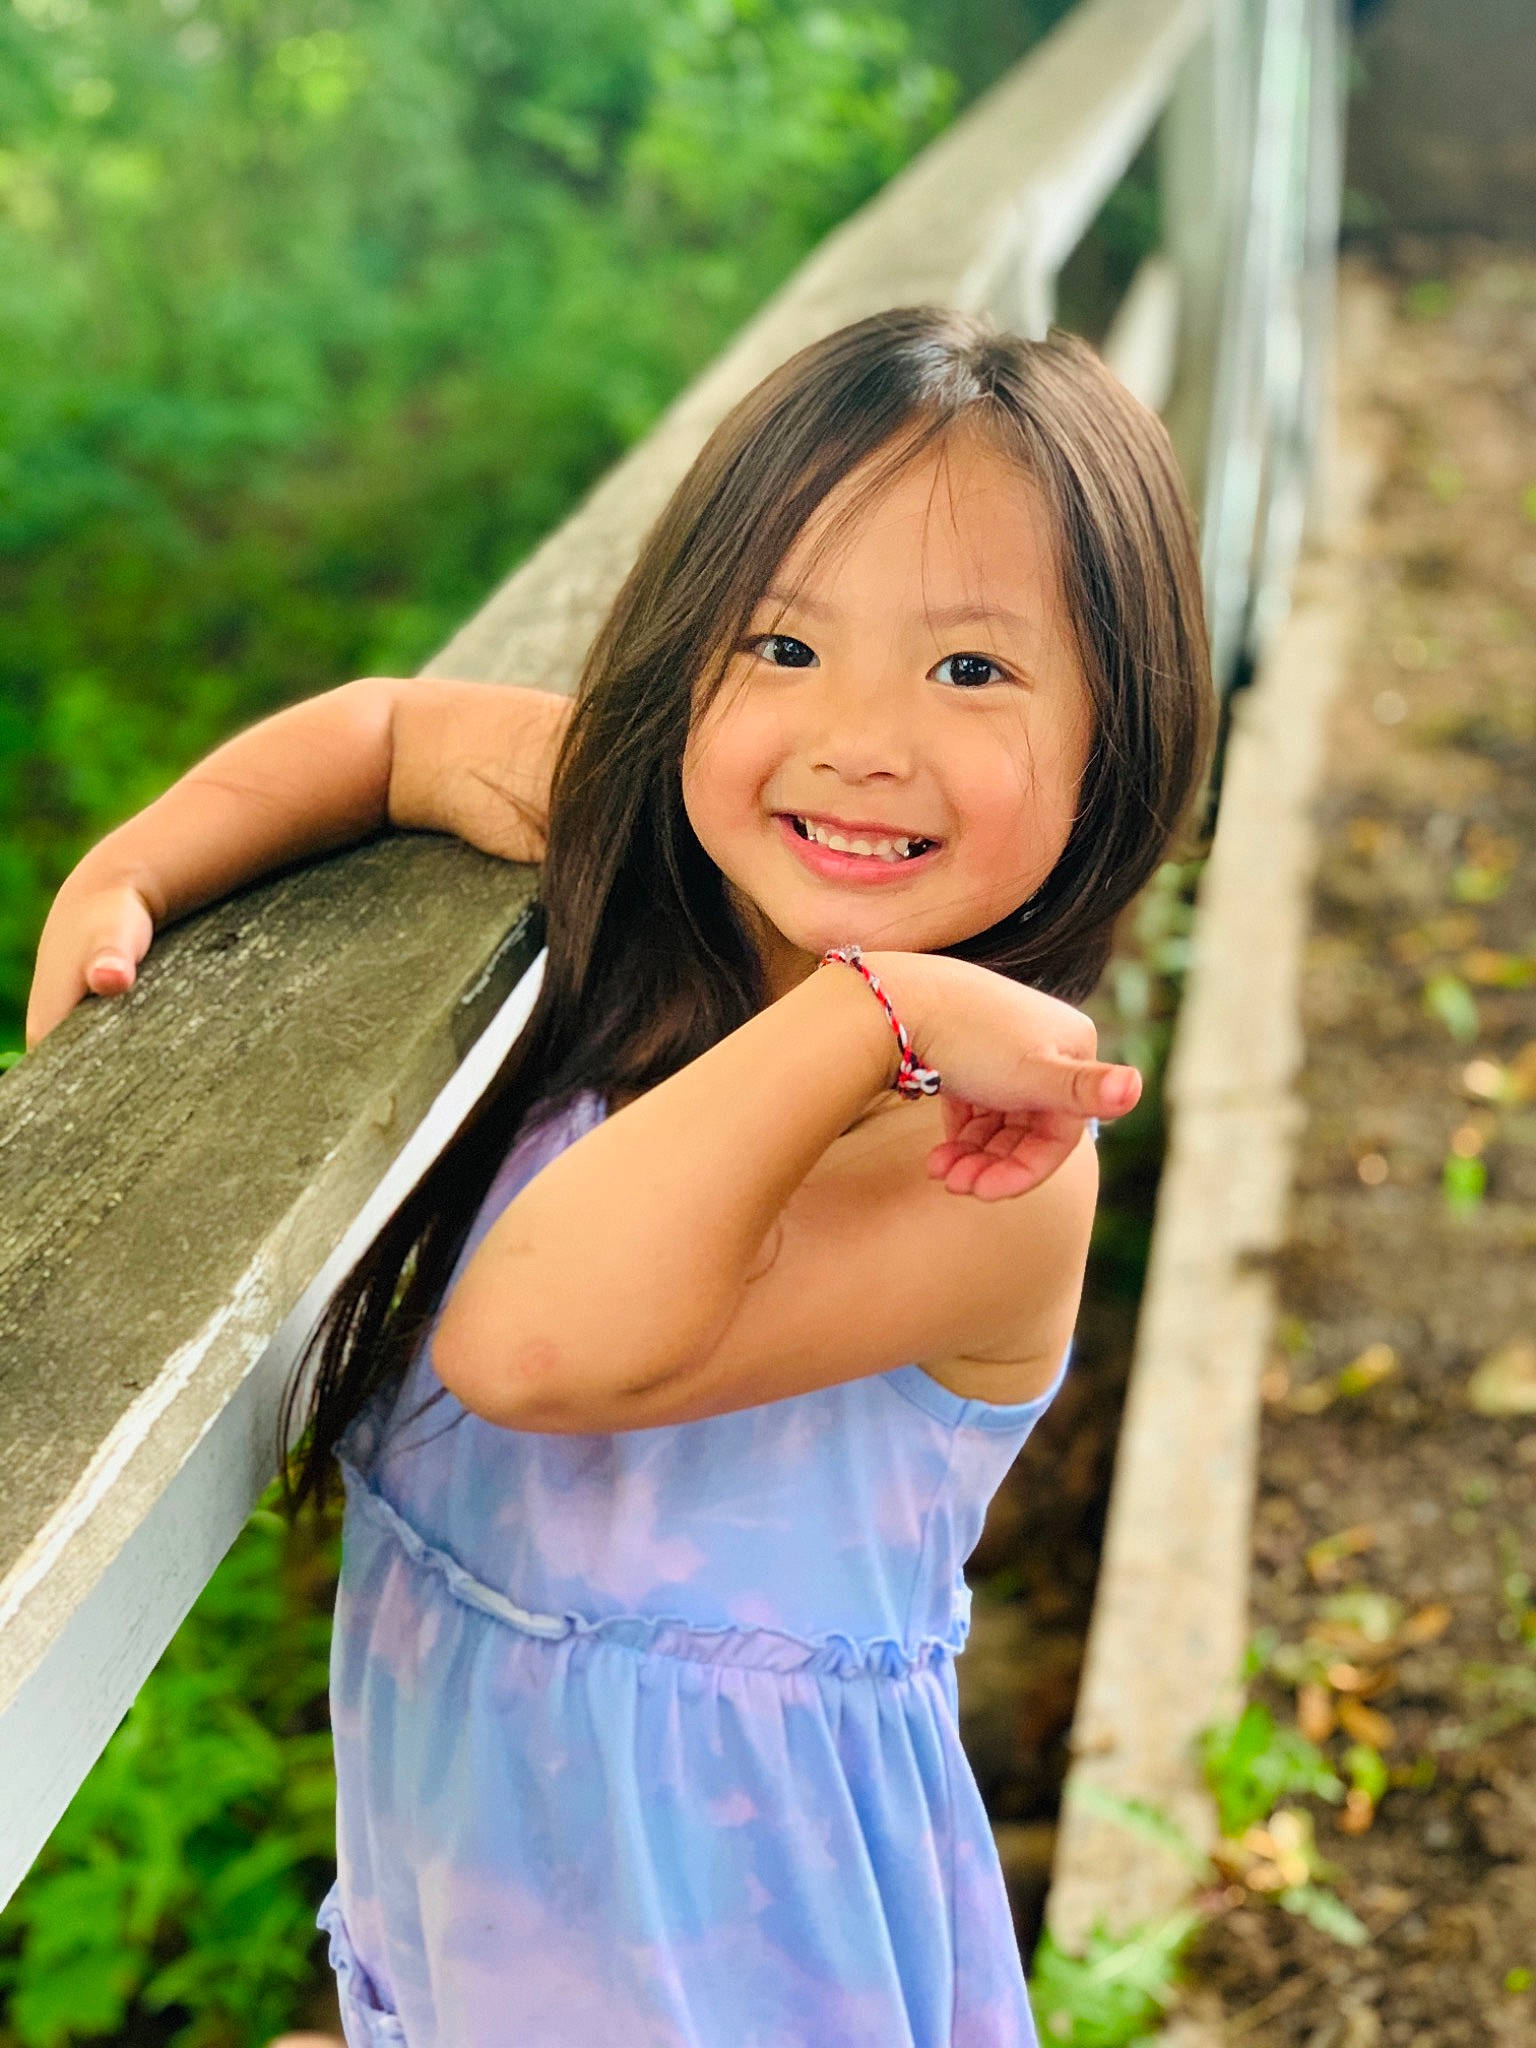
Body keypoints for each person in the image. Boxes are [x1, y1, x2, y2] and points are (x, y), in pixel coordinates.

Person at [28, 307, 1212, 2048]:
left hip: (735, 1965)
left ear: (1123, 727)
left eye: (972, 672)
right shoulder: (652, 865)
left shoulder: (992, 1166)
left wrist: (867, 1016)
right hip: (483, 1915)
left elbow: (531, 1351)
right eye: (783, 645)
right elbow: (389, 734)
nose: (859, 738)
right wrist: (136, 866)